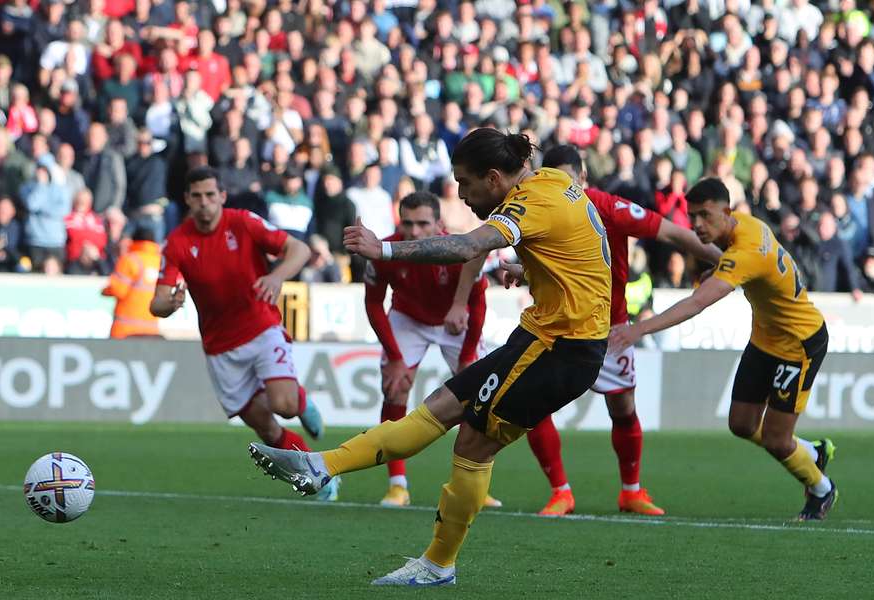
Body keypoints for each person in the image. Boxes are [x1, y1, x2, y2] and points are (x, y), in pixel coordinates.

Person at [249, 129, 612, 586]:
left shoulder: (532, 200)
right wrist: (531, 267)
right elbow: (582, 250)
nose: (462, 194)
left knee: (472, 446)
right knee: (439, 407)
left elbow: (465, 247)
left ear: (495, 177)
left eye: (465, 183)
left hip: (561, 350)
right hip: (543, 337)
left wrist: (382, 249)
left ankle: (439, 563)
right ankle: (322, 465)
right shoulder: (557, 183)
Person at [512, 145, 721, 516]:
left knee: (622, 408)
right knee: (533, 403)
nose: (564, 189)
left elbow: (673, 234)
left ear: (583, 178)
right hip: (556, 325)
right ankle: (561, 491)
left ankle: (631, 491)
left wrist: (733, 264)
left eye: (570, 180)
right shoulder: (539, 208)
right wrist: (521, 271)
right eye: (554, 181)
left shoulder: (609, 207)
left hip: (610, 328)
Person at [611, 178, 837, 521]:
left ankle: (822, 488)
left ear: (726, 212)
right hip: (765, 338)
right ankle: (811, 450)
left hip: (799, 343)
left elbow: (698, 302)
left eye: (705, 215)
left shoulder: (745, 252)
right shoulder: (745, 226)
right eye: (692, 217)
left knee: (778, 440)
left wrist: (638, 329)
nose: (697, 225)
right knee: (741, 424)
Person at [151, 166, 340, 501]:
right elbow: (157, 303)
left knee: (282, 405)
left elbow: (300, 250)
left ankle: (300, 401)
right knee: (267, 428)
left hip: (262, 328)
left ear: (222, 196)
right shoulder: (178, 242)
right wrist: (172, 303)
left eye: (211, 195)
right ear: (187, 200)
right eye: (197, 196)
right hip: (220, 349)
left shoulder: (243, 222)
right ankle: (318, 471)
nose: (204, 203)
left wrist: (277, 276)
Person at [364, 190, 498, 509]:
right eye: (407, 224)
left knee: (479, 401)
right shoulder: (385, 249)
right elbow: (372, 303)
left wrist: (467, 356)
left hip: (456, 322)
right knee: (395, 390)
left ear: (439, 224)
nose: (414, 232)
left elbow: (478, 302)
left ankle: (472, 485)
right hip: (408, 319)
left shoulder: (457, 251)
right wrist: (395, 358)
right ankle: (398, 486)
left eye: (423, 224)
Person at [102, 226, 162, 338]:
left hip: (126, 329)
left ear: (134, 240)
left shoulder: (129, 260)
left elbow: (118, 290)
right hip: (151, 330)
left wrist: (105, 291)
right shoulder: (159, 262)